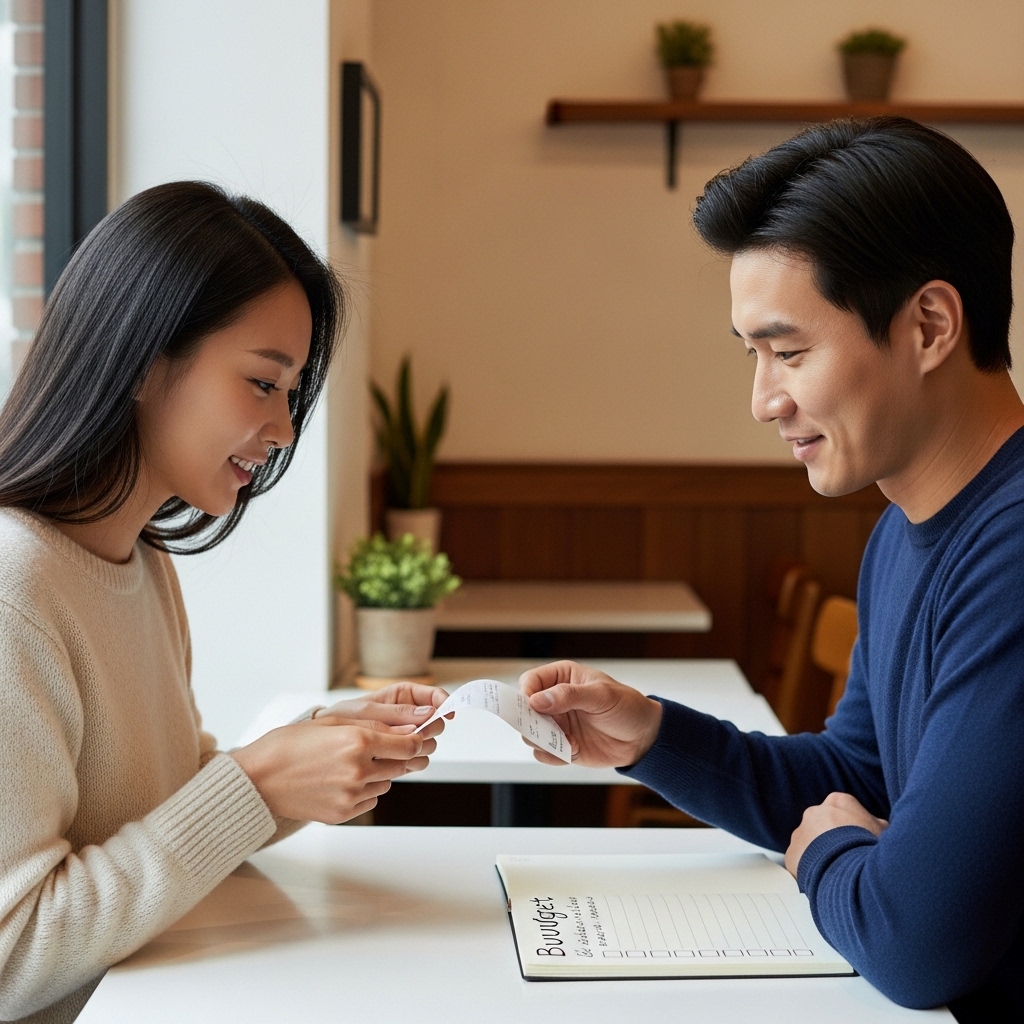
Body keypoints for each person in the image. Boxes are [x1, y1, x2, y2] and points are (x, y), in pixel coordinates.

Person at [519, 118, 1024, 1022]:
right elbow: (857, 776)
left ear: (931, 326)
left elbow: (916, 942)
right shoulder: (902, 533)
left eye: (789, 353)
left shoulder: (1013, 552)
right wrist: (652, 737)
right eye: (752, 355)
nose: (763, 400)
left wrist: (828, 855)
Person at [0, 181, 447, 1022]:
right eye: (262, 383)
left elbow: (162, 808)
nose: (284, 430)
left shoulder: (139, 561)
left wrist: (306, 753)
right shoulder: (13, 594)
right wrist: (258, 782)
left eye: (291, 393)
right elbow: (11, 956)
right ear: (141, 361)